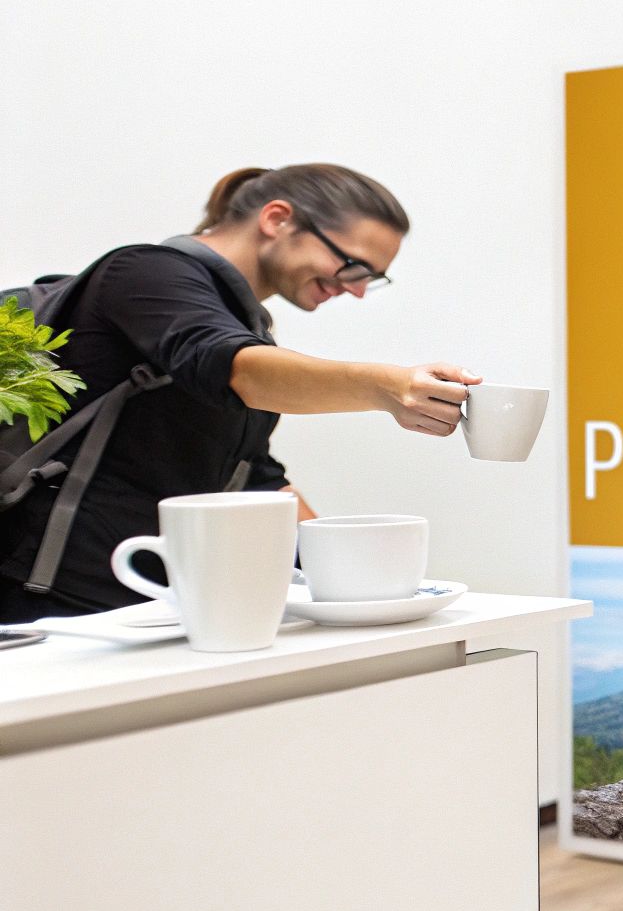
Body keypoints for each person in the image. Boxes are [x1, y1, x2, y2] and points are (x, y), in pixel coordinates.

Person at [0, 164, 482, 621]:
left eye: (370, 279)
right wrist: (388, 388)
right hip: (53, 603)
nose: (356, 290)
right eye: (354, 265)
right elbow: (235, 368)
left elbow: (255, 474)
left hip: (154, 606)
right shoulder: (145, 272)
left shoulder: (245, 327)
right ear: (277, 219)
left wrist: (347, 575)